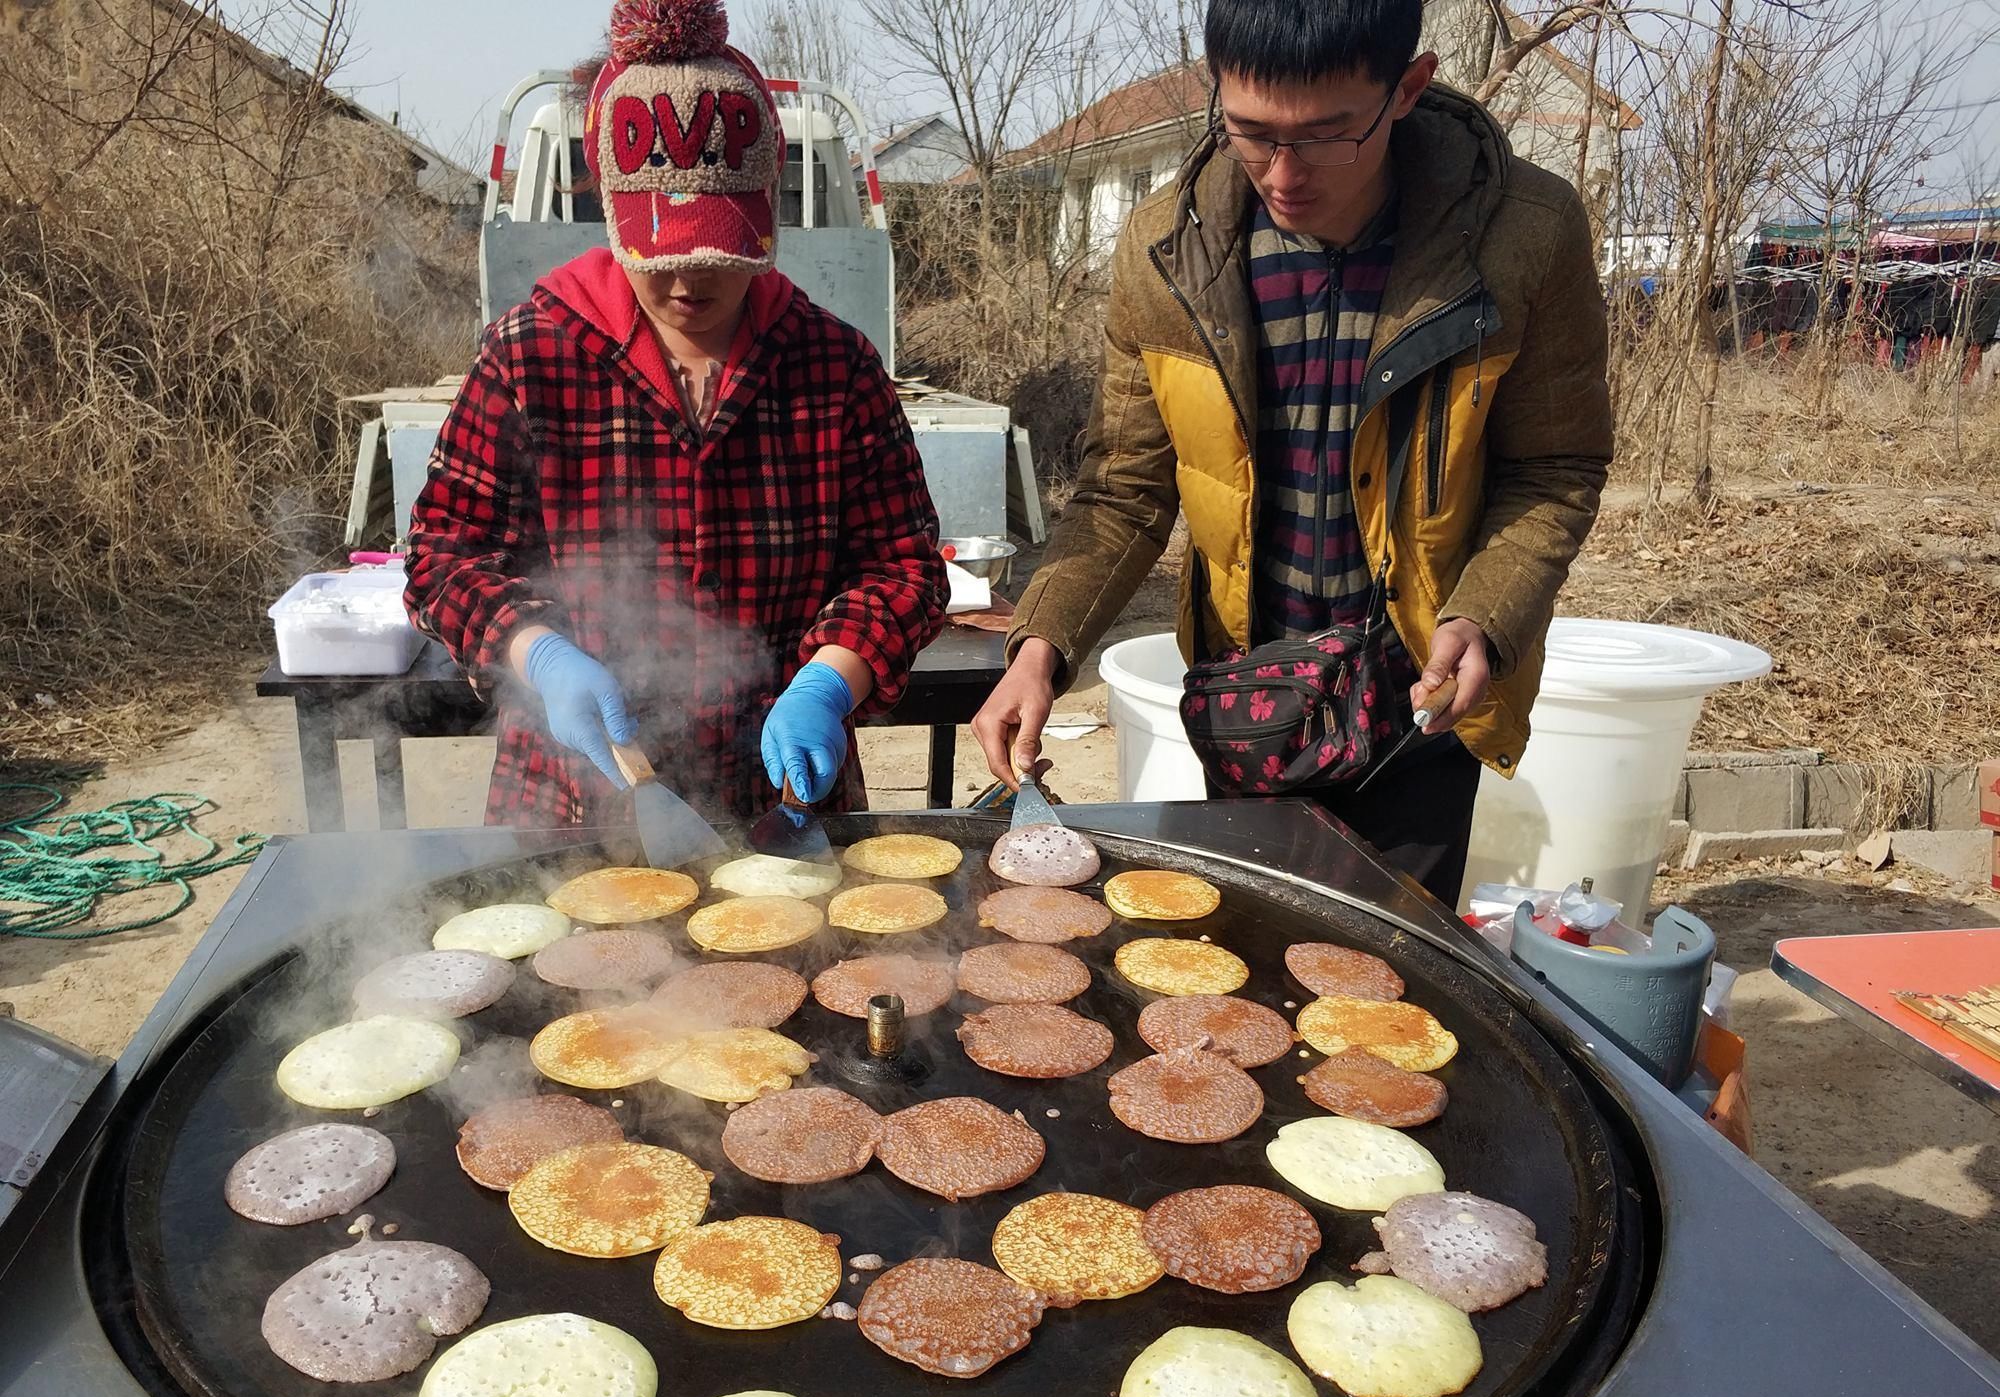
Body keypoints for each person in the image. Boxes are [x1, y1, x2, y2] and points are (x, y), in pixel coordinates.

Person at [972, 0, 1611, 906]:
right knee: (1247, 975)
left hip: (1417, 702)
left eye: (1324, 136)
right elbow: (1122, 486)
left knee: (1393, 981)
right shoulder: (1167, 249)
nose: (1283, 172)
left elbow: (1555, 469)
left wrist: (1487, 614)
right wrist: (1041, 646)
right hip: (1249, 700)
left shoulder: (1524, 236)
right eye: (1248, 132)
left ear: (1407, 89)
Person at [406, 0, 945, 829]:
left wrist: (829, 681)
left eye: (720, 257)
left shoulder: (832, 367)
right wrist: (539, 654)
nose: (690, 285)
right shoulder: (531, 355)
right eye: (664, 260)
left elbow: (903, 566)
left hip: (780, 791)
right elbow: (444, 553)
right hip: (574, 797)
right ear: (617, 219)